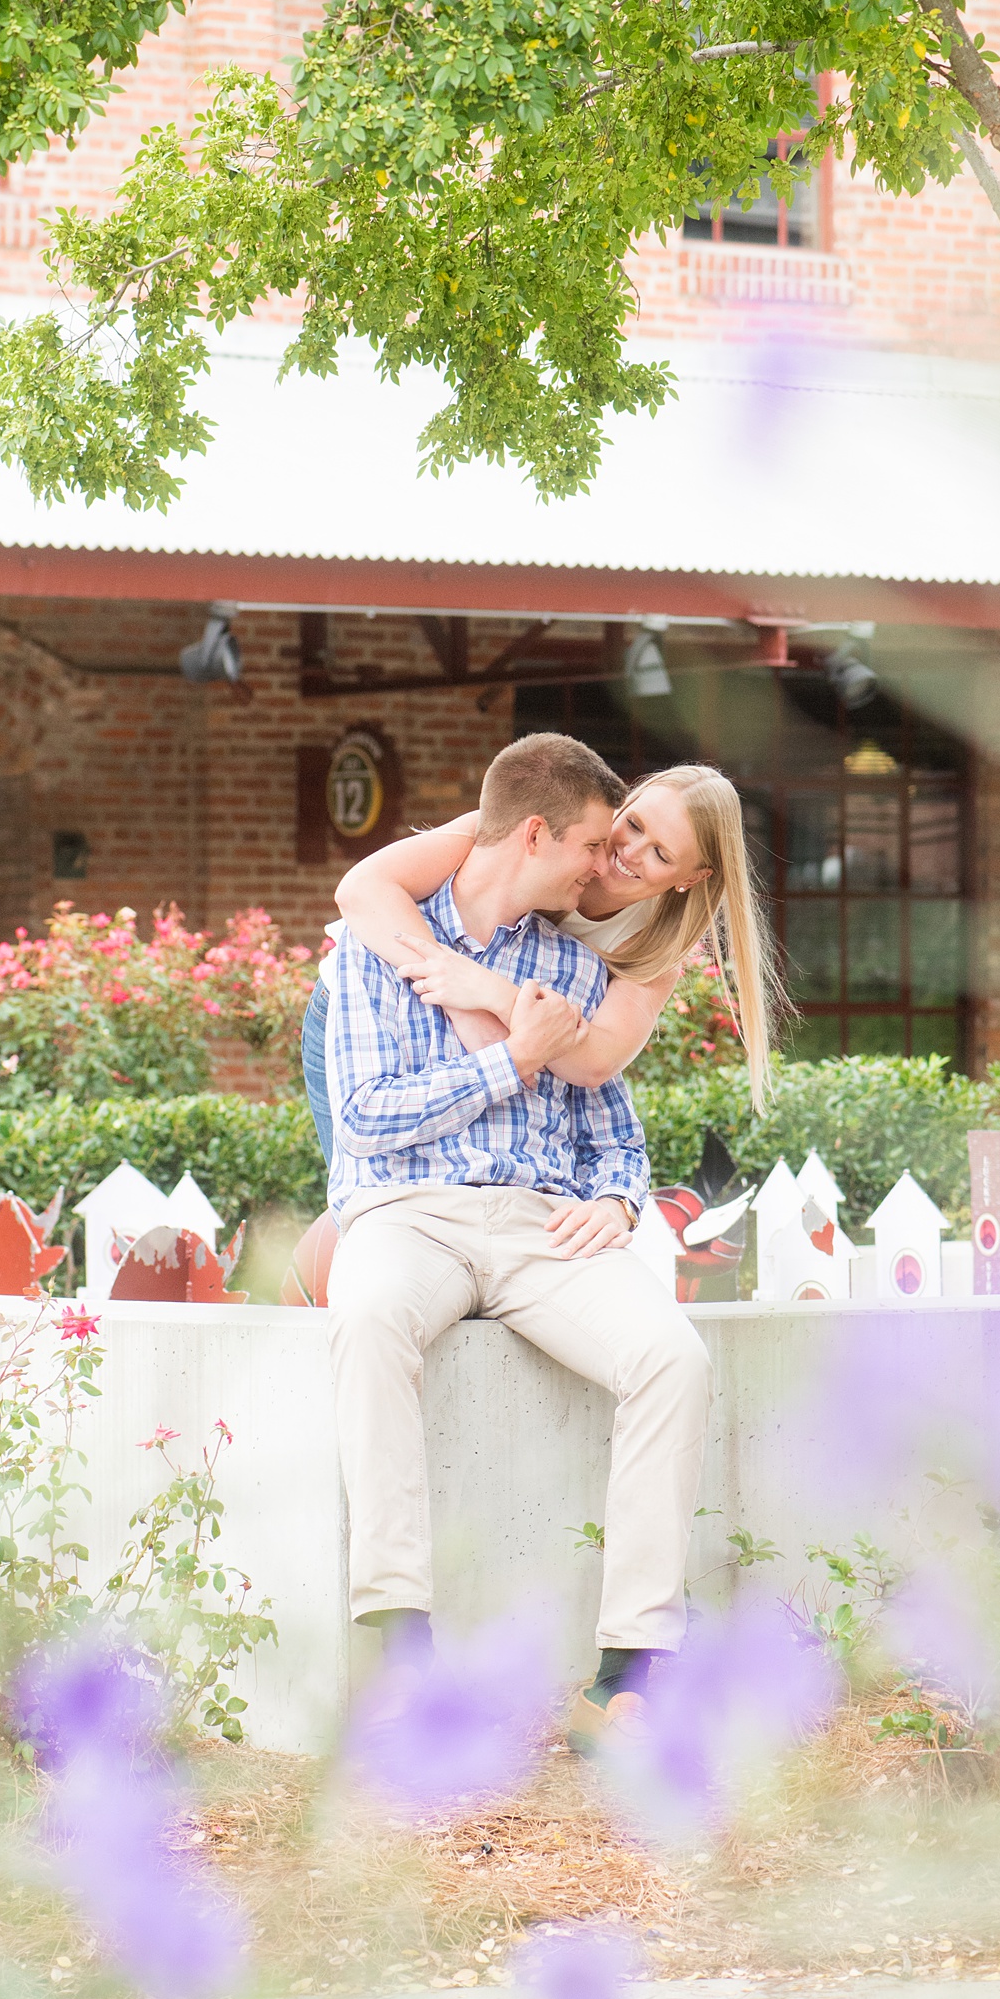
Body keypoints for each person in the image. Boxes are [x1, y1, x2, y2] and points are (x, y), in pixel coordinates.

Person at [322, 733, 713, 1749]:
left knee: (670, 1355)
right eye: (594, 844)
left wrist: (621, 1201)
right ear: (534, 832)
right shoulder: (379, 937)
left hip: (541, 1229)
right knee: (365, 1319)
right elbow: (364, 1117)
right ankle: (398, 1645)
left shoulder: (571, 966)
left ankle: (627, 1674)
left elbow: (612, 1129)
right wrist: (508, 1067)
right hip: (408, 1212)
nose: (603, 869)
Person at [299, 756, 780, 1162]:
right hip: (381, 1005)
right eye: (632, 824)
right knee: (370, 1189)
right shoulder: (532, 828)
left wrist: (493, 996)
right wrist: (464, 1009)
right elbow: (363, 889)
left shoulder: (655, 946)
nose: (627, 852)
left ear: (692, 877)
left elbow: (595, 1062)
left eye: (660, 853)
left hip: (511, 1048)